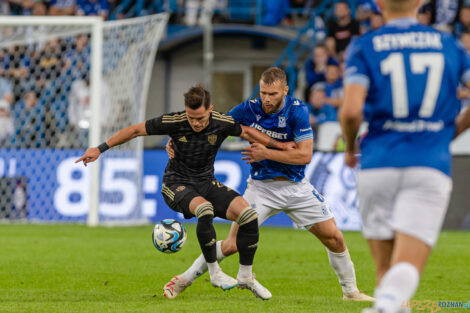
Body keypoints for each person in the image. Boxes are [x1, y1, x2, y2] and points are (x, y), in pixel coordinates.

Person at [163, 67, 374, 302]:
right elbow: (214, 125)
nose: (266, 98)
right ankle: (183, 280)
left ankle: (351, 293)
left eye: (272, 94)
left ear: (285, 90)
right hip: (261, 188)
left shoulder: (297, 111)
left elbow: (304, 156)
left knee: (334, 238)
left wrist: (267, 153)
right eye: (263, 92)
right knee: (233, 244)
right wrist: (179, 140)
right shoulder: (248, 108)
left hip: (296, 187)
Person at [75, 84, 295, 300]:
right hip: (176, 184)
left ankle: (246, 276)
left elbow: (247, 131)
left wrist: (280, 146)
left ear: (210, 110)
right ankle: (214, 272)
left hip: (206, 183)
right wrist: (99, 148)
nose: (196, 123)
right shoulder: (175, 121)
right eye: (191, 118)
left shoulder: (221, 122)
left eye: (200, 118)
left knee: (248, 215)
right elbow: (135, 130)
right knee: (205, 209)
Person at [340, 0, 470, 312]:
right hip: (428, 164)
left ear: (380, 4)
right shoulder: (449, 44)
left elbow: (351, 110)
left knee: (385, 271)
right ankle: (385, 305)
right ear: (419, 2)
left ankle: (387, 305)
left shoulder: (364, 45)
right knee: (407, 265)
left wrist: (348, 148)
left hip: (377, 163)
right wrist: (449, 132)